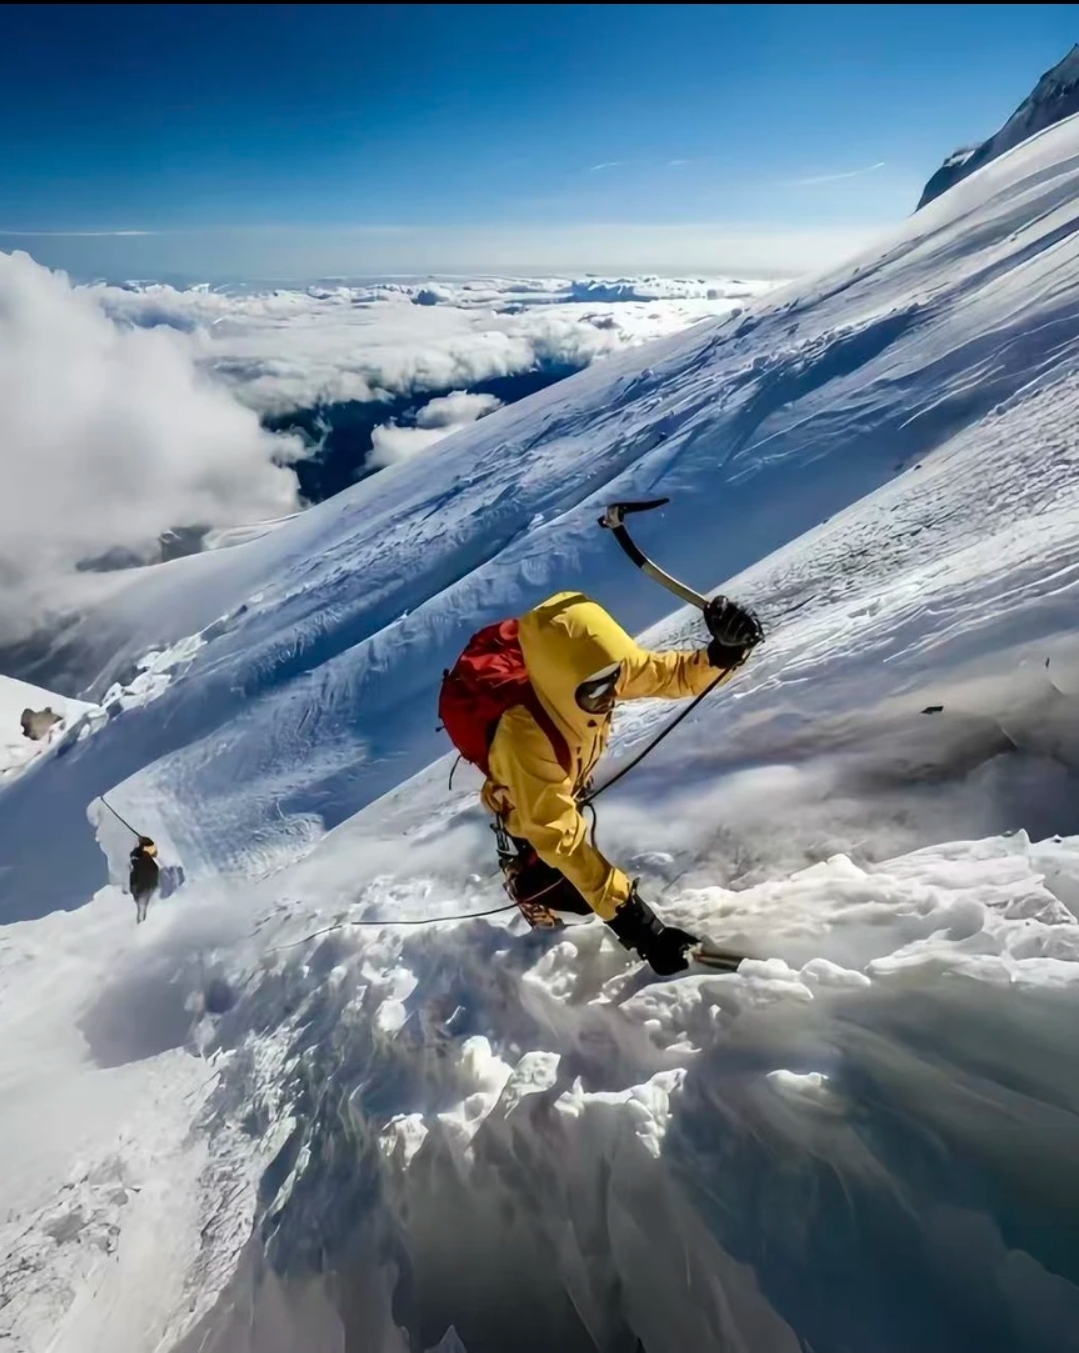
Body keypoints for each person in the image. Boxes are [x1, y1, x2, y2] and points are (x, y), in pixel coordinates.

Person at [467, 589, 763, 975]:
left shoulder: (599, 673)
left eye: (613, 681)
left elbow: (672, 675)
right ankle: (531, 896)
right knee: (567, 893)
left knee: (580, 876)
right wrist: (645, 932)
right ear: (561, 680)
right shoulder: (523, 739)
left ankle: (544, 888)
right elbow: (563, 842)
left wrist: (722, 654)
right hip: (528, 801)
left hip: (564, 778)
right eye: (595, 690)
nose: (609, 696)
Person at [128, 836, 160, 924]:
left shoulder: (142, 859)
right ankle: (142, 921)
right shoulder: (138, 859)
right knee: (143, 904)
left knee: (143, 904)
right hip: (144, 884)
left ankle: (142, 920)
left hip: (145, 883)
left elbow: (153, 852)